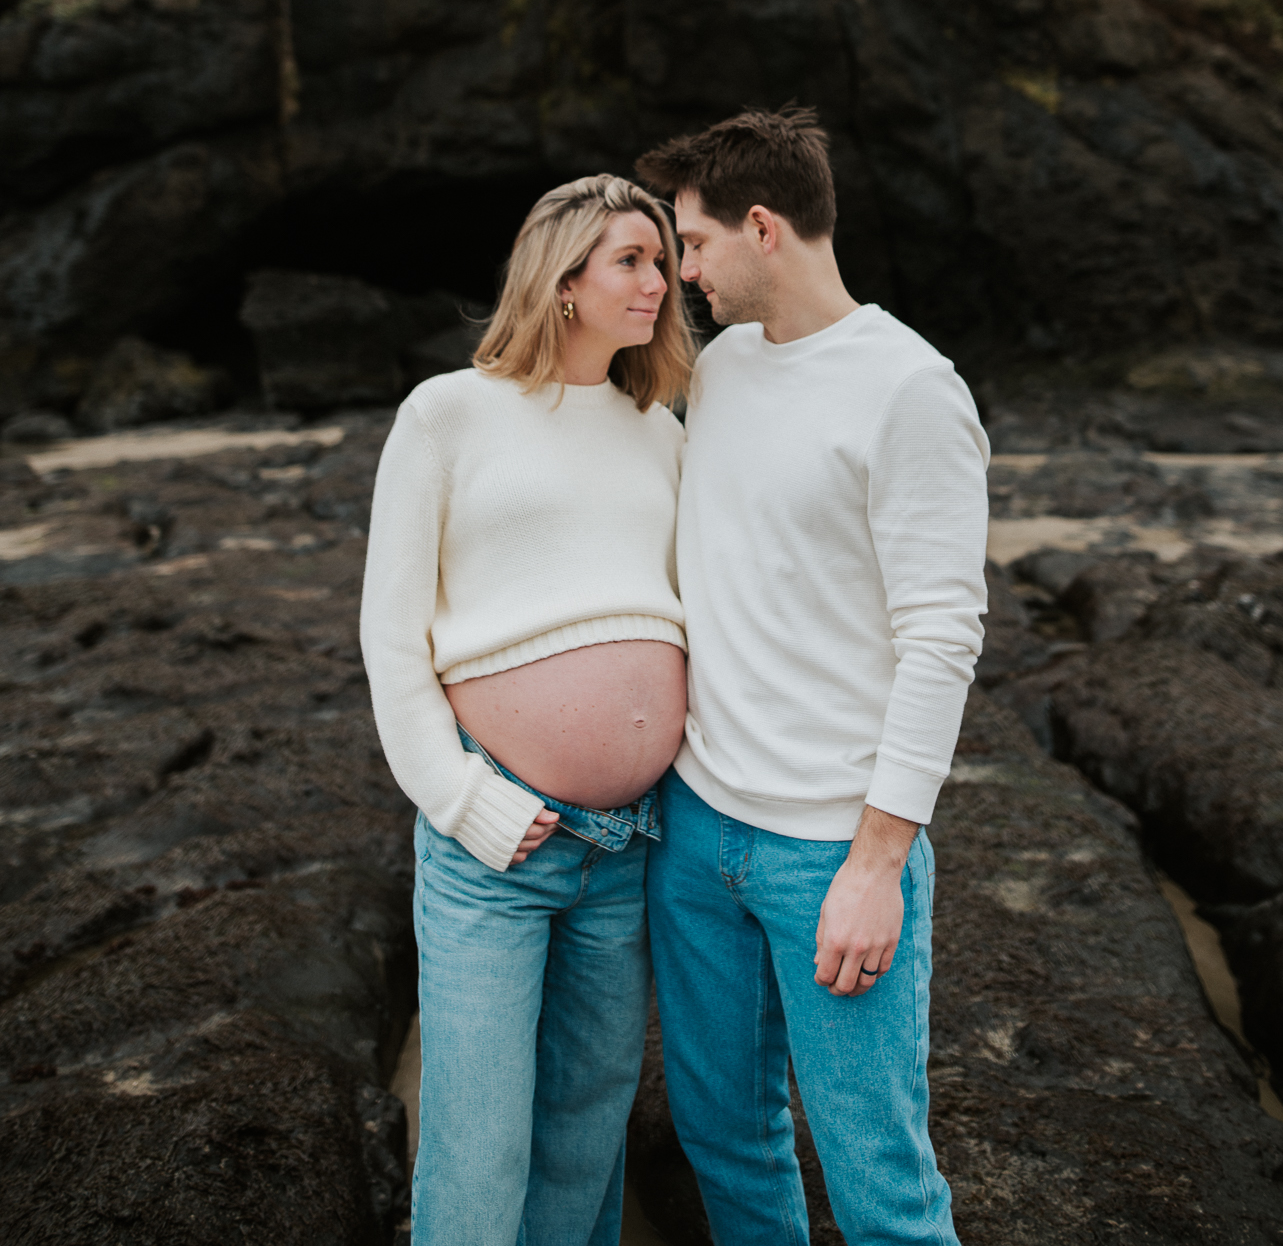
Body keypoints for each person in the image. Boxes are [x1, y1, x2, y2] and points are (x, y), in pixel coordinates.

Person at [635, 106, 989, 1246]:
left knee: (878, 1182)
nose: (683, 274)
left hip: (828, 846)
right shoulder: (723, 369)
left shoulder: (911, 389)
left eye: (694, 243)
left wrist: (878, 863)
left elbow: (942, 636)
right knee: (724, 1139)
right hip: (696, 826)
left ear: (761, 226)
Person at [359, 174, 696, 1246]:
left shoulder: (661, 431)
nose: (658, 280)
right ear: (561, 282)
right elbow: (390, 633)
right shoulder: (447, 413)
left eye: (661, 259)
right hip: (494, 845)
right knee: (479, 1140)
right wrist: (461, 798)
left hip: (630, 846)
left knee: (585, 1131)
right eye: (630, 259)